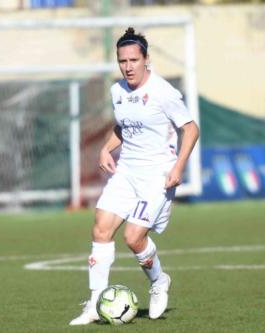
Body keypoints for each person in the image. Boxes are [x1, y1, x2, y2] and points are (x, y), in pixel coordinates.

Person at [69, 27, 199, 325]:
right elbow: (125, 128)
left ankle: (158, 281)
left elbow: (191, 129)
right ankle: (94, 303)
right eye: (122, 61)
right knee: (101, 228)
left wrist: (178, 168)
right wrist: (105, 149)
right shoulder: (118, 91)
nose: (127, 67)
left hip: (157, 175)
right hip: (127, 170)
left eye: (133, 60)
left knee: (133, 237)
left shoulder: (164, 92)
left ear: (146, 60)